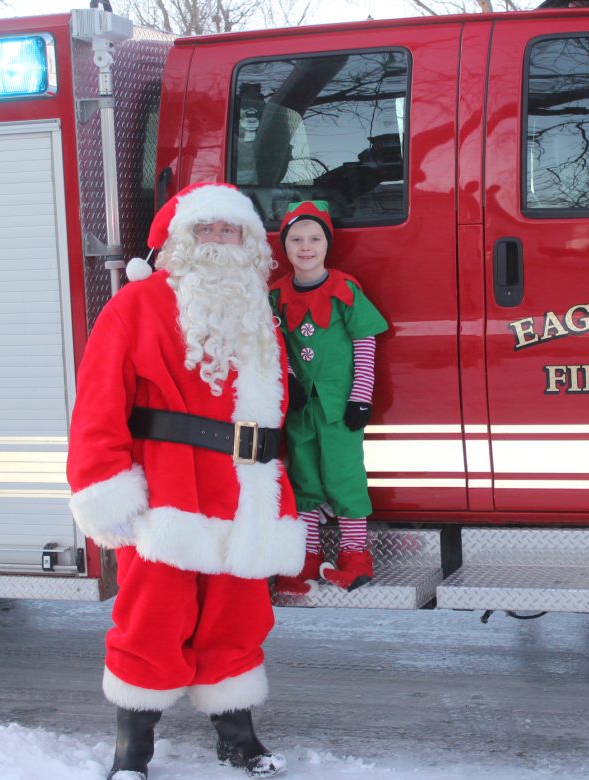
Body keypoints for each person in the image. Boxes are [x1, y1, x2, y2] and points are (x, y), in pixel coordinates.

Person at [66, 182, 305, 780]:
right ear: (180, 241)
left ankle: (238, 737)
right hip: (167, 493)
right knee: (152, 619)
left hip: (245, 491)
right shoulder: (135, 305)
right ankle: (132, 751)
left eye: (232, 231)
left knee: (238, 619)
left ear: (249, 243)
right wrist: (105, 486)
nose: (220, 241)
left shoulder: (257, 312)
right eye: (207, 230)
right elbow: (98, 404)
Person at [269, 201, 388, 595]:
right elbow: (274, 344)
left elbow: (365, 342)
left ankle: (356, 555)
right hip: (301, 408)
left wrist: (361, 397)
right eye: (297, 239)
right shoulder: (277, 295)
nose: (306, 247)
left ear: (327, 244)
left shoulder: (344, 289)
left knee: (344, 475)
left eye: (315, 238)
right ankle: (306, 557)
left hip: (339, 407)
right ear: (285, 247)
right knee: (303, 477)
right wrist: (289, 381)